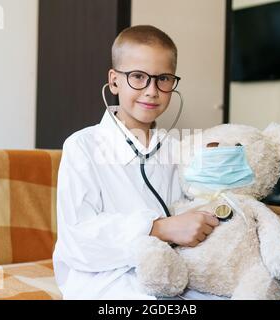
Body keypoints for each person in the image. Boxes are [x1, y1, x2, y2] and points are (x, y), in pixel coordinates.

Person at [52, 25, 222, 300]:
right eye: (138, 77)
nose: (152, 90)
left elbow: (202, 204)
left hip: (173, 275)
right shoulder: (82, 146)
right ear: (114, 81)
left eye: (163, 78)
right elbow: (79, 240)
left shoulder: (177, 149)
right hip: (106, 281)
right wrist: (159, 228)